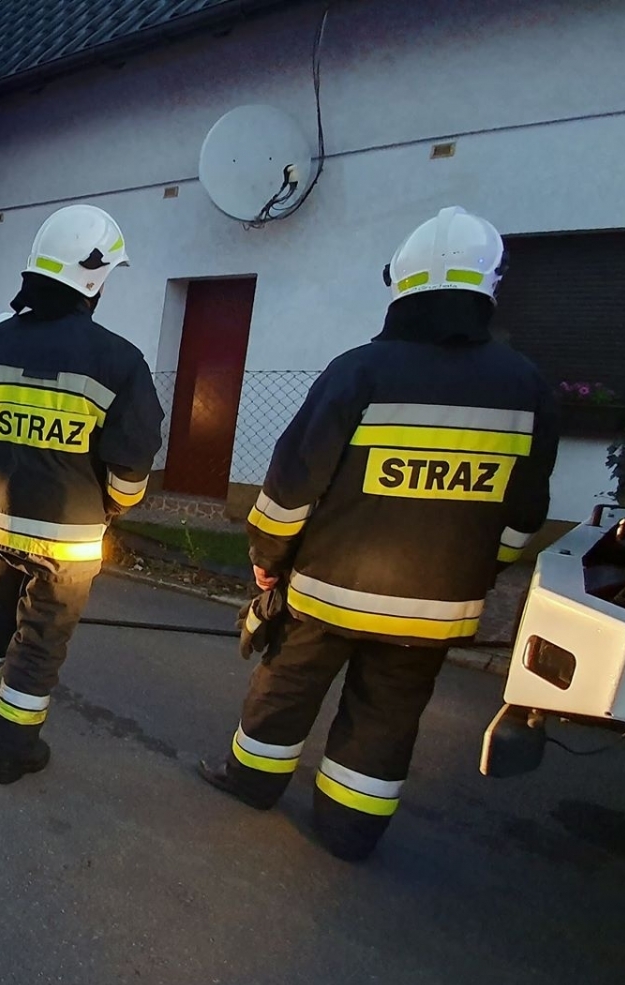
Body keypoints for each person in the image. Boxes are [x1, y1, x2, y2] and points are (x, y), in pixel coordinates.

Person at [199, 207, 561, 860]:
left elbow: (291, 484)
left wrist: (268, 562)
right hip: (436, 606)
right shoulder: (526, 387)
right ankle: (350, 831)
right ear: (488, 287)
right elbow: (524, 512)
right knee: (388, 715)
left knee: (286, 689)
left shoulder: (360, 371)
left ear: (403, 284)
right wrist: (481, 573)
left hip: (330, 590)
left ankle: (250, 783)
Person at [0, 205, 165, 785]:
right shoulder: (120, 361)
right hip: (68, 544)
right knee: (38, 642)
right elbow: (132, 459)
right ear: (93, 279)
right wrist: (113, 504)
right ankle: (13, 751)